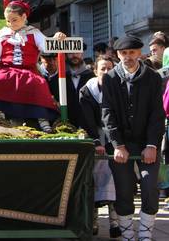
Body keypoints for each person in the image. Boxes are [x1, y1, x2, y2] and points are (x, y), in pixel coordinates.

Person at [102, 35, 164, 241]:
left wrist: (152, 144)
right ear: (118, 55)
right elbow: (107, 113)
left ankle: (145, 235)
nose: (127, 57)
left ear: (139, 52)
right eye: (123, 53)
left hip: (147, 141)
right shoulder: (110, 78)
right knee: (124, 188)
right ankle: (128, 235)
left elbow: (157, 114)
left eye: (132, 52)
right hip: (121, 144)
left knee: (149, 187)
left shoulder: (153, 78)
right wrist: (117, 145)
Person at [0, 0, 63, 133]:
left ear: (24, 17)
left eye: (14, 20)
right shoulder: (2, 34)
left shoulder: (34, 33)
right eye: (8, 21)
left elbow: (48, 46)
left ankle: (42, 118)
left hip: (29, 71)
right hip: (6, 70)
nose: (10, 24)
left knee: (38, 84)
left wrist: (57, 39)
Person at [79, 55, 120, 238]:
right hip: (94, 138)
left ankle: (115, 221)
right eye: (102, 68)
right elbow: (86, 118)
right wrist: (95, 141)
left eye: (109, 68)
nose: (105, 72)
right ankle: (94, 220)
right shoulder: (87, 91)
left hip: (115, 139)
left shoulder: (119, 88)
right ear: (95, 70)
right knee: (93, 178)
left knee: (117, 178)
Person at [47, 51, 95, 129]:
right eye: (71, 53)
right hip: (65, 124)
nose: (74, 55)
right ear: (65, 55)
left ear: (82, 54)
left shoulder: (91, 76)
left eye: (77, 53)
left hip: (88, 123)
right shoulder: (56, 79)